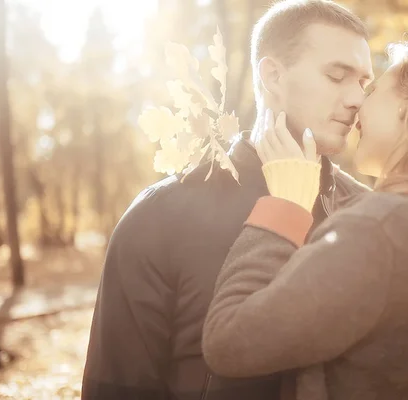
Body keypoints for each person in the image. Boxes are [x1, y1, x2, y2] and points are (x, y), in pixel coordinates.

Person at [202, 39, 408, 400]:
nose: (357, 101)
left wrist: (286, 206)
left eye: (374, 88)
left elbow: (228, 342)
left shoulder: (381, 231)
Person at [81, 1, 373, 399]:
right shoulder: (161, 216)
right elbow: (116, 387)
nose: (357, 98)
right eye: (337, 76)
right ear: (273, 75)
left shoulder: (370, 217)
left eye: (364, 83)